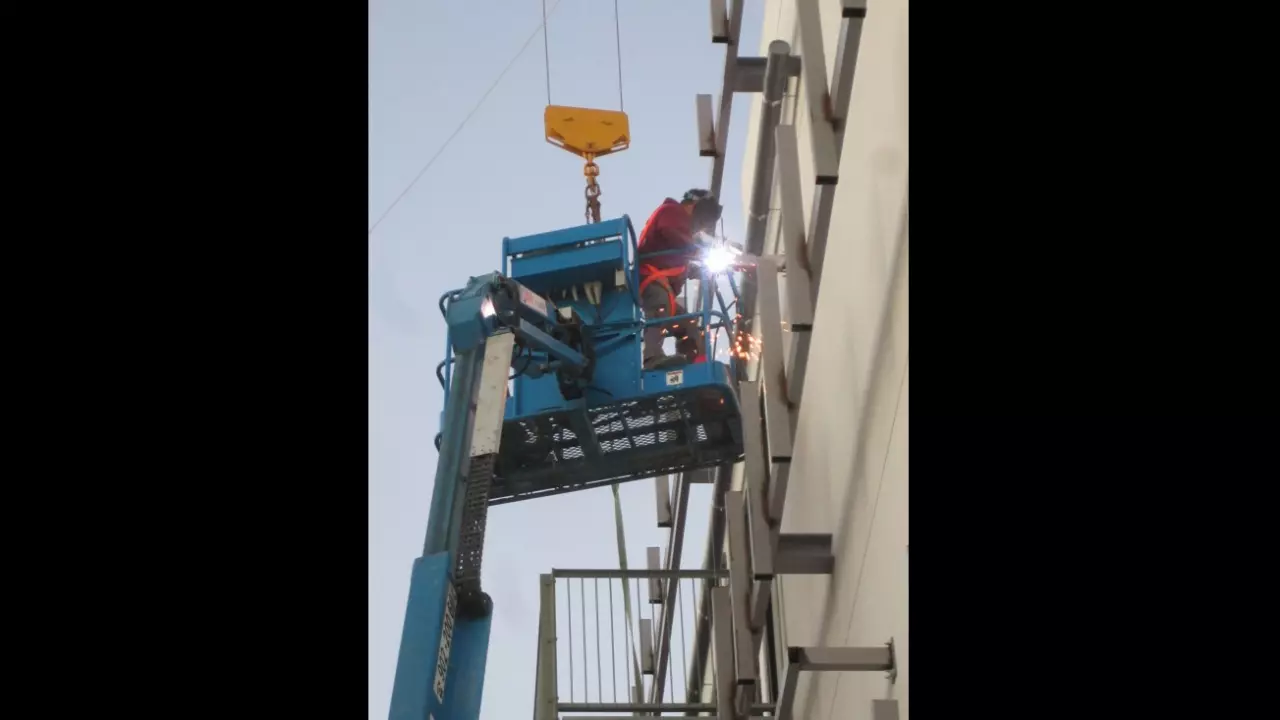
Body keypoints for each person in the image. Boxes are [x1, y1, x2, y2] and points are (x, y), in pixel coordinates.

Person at [636, 189, 723, 369]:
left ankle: (696, 365)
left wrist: (699, 270)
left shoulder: (683, 237)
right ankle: (652, 358)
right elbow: (671, 232)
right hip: (650, 278)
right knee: (660, 307)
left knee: (689, 325)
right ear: (692, 206)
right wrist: (696, 251)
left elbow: (679, 262)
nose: (699, 226)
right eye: (700, 220)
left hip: (663, 283)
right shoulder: (671, 211)